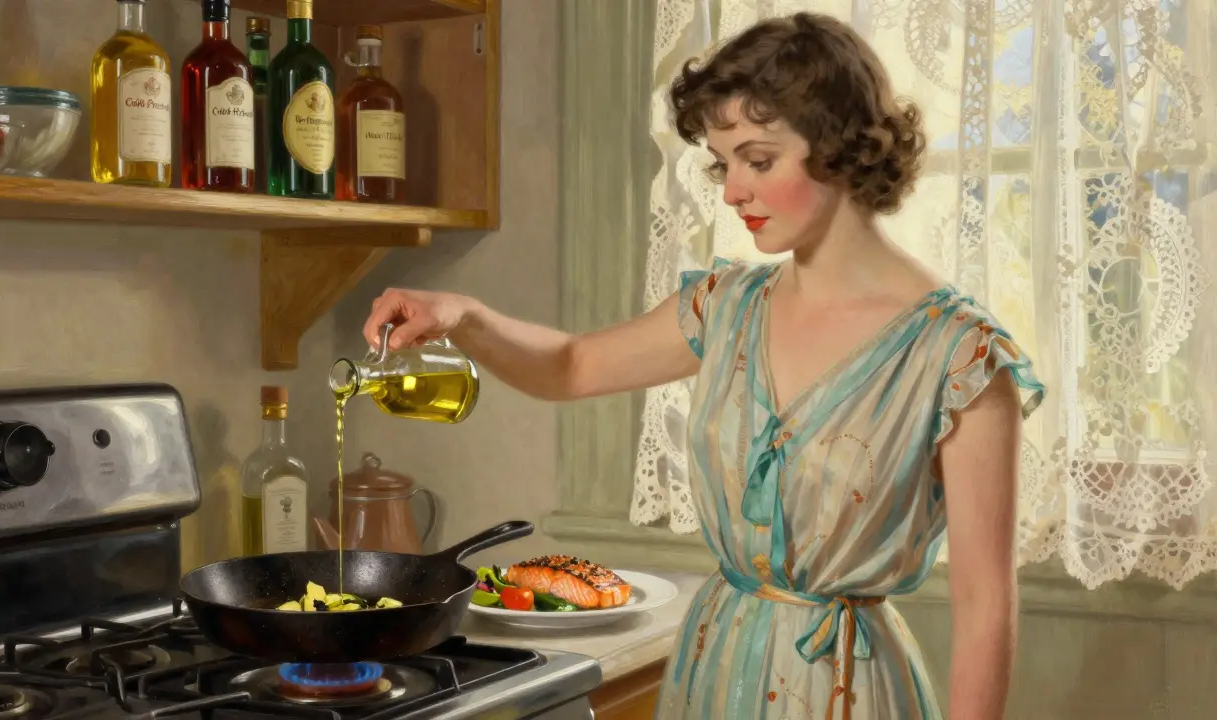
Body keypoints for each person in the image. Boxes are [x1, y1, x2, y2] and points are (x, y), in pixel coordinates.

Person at [362, 12, 1044, 720]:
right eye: (725, 164)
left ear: (840, 147)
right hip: (715, 669)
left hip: (846, 692)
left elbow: (985, 606)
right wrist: (463, 316)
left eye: (759, 159)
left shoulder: (958, 355)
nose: (731, 191)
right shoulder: (727, 308)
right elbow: (570, 367)